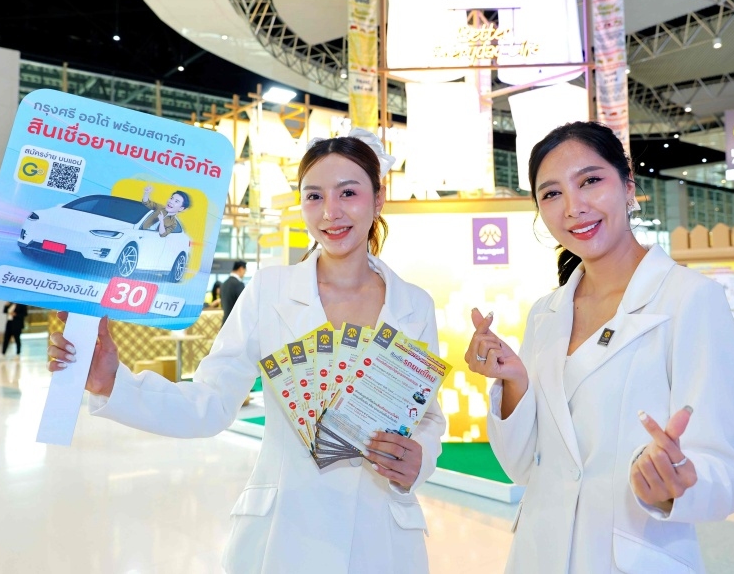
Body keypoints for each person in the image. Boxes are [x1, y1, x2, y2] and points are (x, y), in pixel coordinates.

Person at [48, 129, 444, 573]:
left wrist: (421, 456)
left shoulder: (414, 305)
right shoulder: (269, 292)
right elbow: (211, 402)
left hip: (382, 537)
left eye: (348, 193)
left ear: (378, 199)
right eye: (314, 196)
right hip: (285, 535)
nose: (330, 212)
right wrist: (112, 383)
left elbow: (426, 414)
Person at [465, 122, 734, 573]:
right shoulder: (545, 313)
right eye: (552, 193)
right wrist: (515, 381)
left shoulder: (691, 300)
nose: (573, 207)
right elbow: (522, 467)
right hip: (538, 554)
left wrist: (677, 483)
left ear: (628, 185)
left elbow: (727, 477)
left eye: (590, 181)